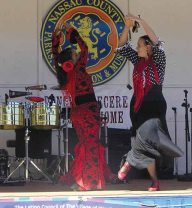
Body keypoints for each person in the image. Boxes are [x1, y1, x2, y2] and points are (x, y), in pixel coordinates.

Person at [115, 14, 183, 191]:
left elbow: (157, 41)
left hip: (154, 103)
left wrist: (141, 21)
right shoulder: (137, 60)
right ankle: (154, 180)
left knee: (147, 139)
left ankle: (129, 162)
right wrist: (126, 26)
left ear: (148, 47)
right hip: (138, 104)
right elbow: (121, 46)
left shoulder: (159, 60)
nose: (137, 48)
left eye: (139, 45)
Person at [52, 23, 115, 191]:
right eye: (74, 54)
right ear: (70, 61)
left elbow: (55, 56)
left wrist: (56, 39)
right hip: (88, 111)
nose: (77, 54)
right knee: (92, 145)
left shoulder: (64, 74)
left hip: (77, 113)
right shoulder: (78, 69)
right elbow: (85, 47)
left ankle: (79, 178)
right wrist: (72, 32)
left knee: (84, 145)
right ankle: (88, 182)